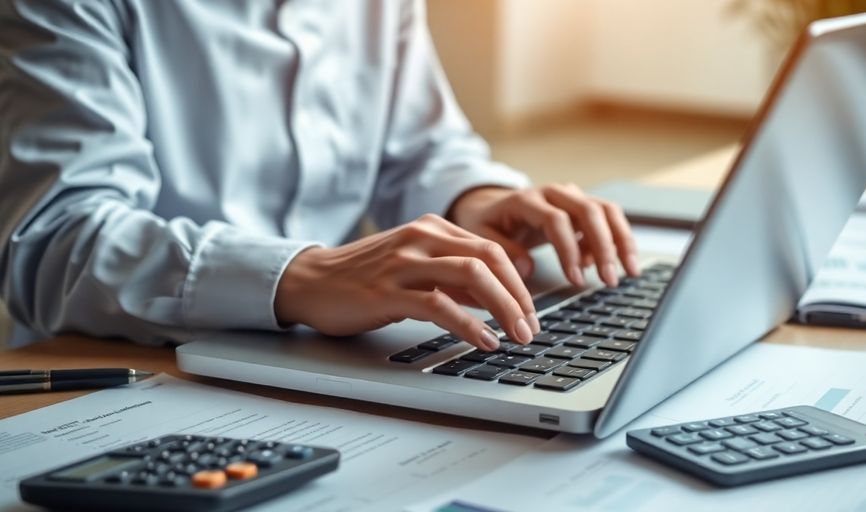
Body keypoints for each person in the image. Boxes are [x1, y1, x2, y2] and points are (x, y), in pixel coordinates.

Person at [0, 1, 639, 351]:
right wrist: (300, 275)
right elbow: (54, 241)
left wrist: (477, 199)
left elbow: (418, 147)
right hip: (131, 364)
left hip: (343, 354)